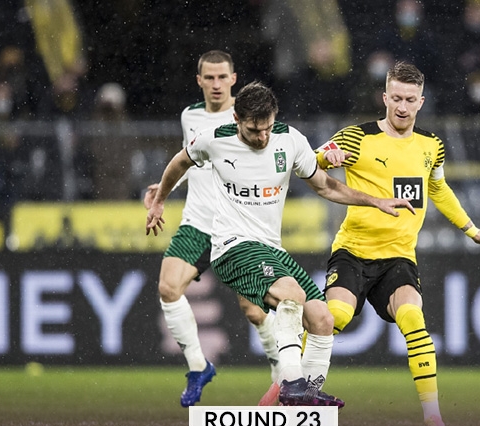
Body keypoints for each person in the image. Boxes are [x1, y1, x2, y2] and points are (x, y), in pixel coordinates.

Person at [146, 80, 413, 408]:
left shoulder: (291, 140)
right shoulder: (213, 140)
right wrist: (160, 199)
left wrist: (375, 201)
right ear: (236, 119)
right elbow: (180, 162)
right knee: (292, 294)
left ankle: (308, 393)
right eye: (253, 130)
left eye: (267, 129)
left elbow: (326, 186)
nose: (262, 137)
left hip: (272, 249)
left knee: (322, 318)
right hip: (232, 246)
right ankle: (291, 383)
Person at [316, 61, 480, 426]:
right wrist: (327, 156)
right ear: (384, 98)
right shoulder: (357, 138)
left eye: (410, 100)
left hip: (399, 258)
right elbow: (312, 160)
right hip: (353, 252)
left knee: (413, 319)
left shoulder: (431, 146)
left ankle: (433, 419)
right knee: (334, 316)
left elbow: (437, 188)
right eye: (396, 99)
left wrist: (473, 231)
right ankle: (289, 389)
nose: (402, 107)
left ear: (421, 102)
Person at [143, 51, 280, 408]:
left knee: (254, 310)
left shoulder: (251, 117)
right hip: (199, 222)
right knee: (168, 287)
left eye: (222, 77)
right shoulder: (190, 116)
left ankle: (281, 372)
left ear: (234, 79)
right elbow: (189, 161)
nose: (217, 84)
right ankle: (198, 367)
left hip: (239, 227)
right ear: (199, 80)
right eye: (210, 78)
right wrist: (163, 190)